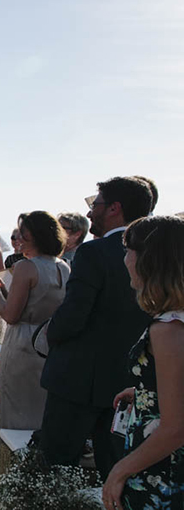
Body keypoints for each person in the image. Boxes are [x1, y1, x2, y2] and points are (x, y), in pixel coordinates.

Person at [40, 176, 154, 479]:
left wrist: (50, 335)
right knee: (114, 468)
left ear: (115, 208)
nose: (90, 213)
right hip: (129, 383)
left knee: (56, 464)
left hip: (78, 381)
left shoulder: (95, 253)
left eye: (96, 204)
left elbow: (72, 316)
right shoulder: (161, 254)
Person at [102, 215, 184, 510]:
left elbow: (176, 427)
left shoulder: (168, 329)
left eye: (128, 250)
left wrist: (120, 470)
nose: (124, 259)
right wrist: (146, 393)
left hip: (163, 470)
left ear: (151, 260)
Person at [0, 211, 70, 429]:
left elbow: (10, 315)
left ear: (35, 237)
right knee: (41, 411)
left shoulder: (26, 267)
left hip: (22, 345)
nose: (17, 240)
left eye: (23, 235)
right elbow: (35, 305)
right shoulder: (63, 266)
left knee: (16, 411)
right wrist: (4, 291)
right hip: (48, 344)